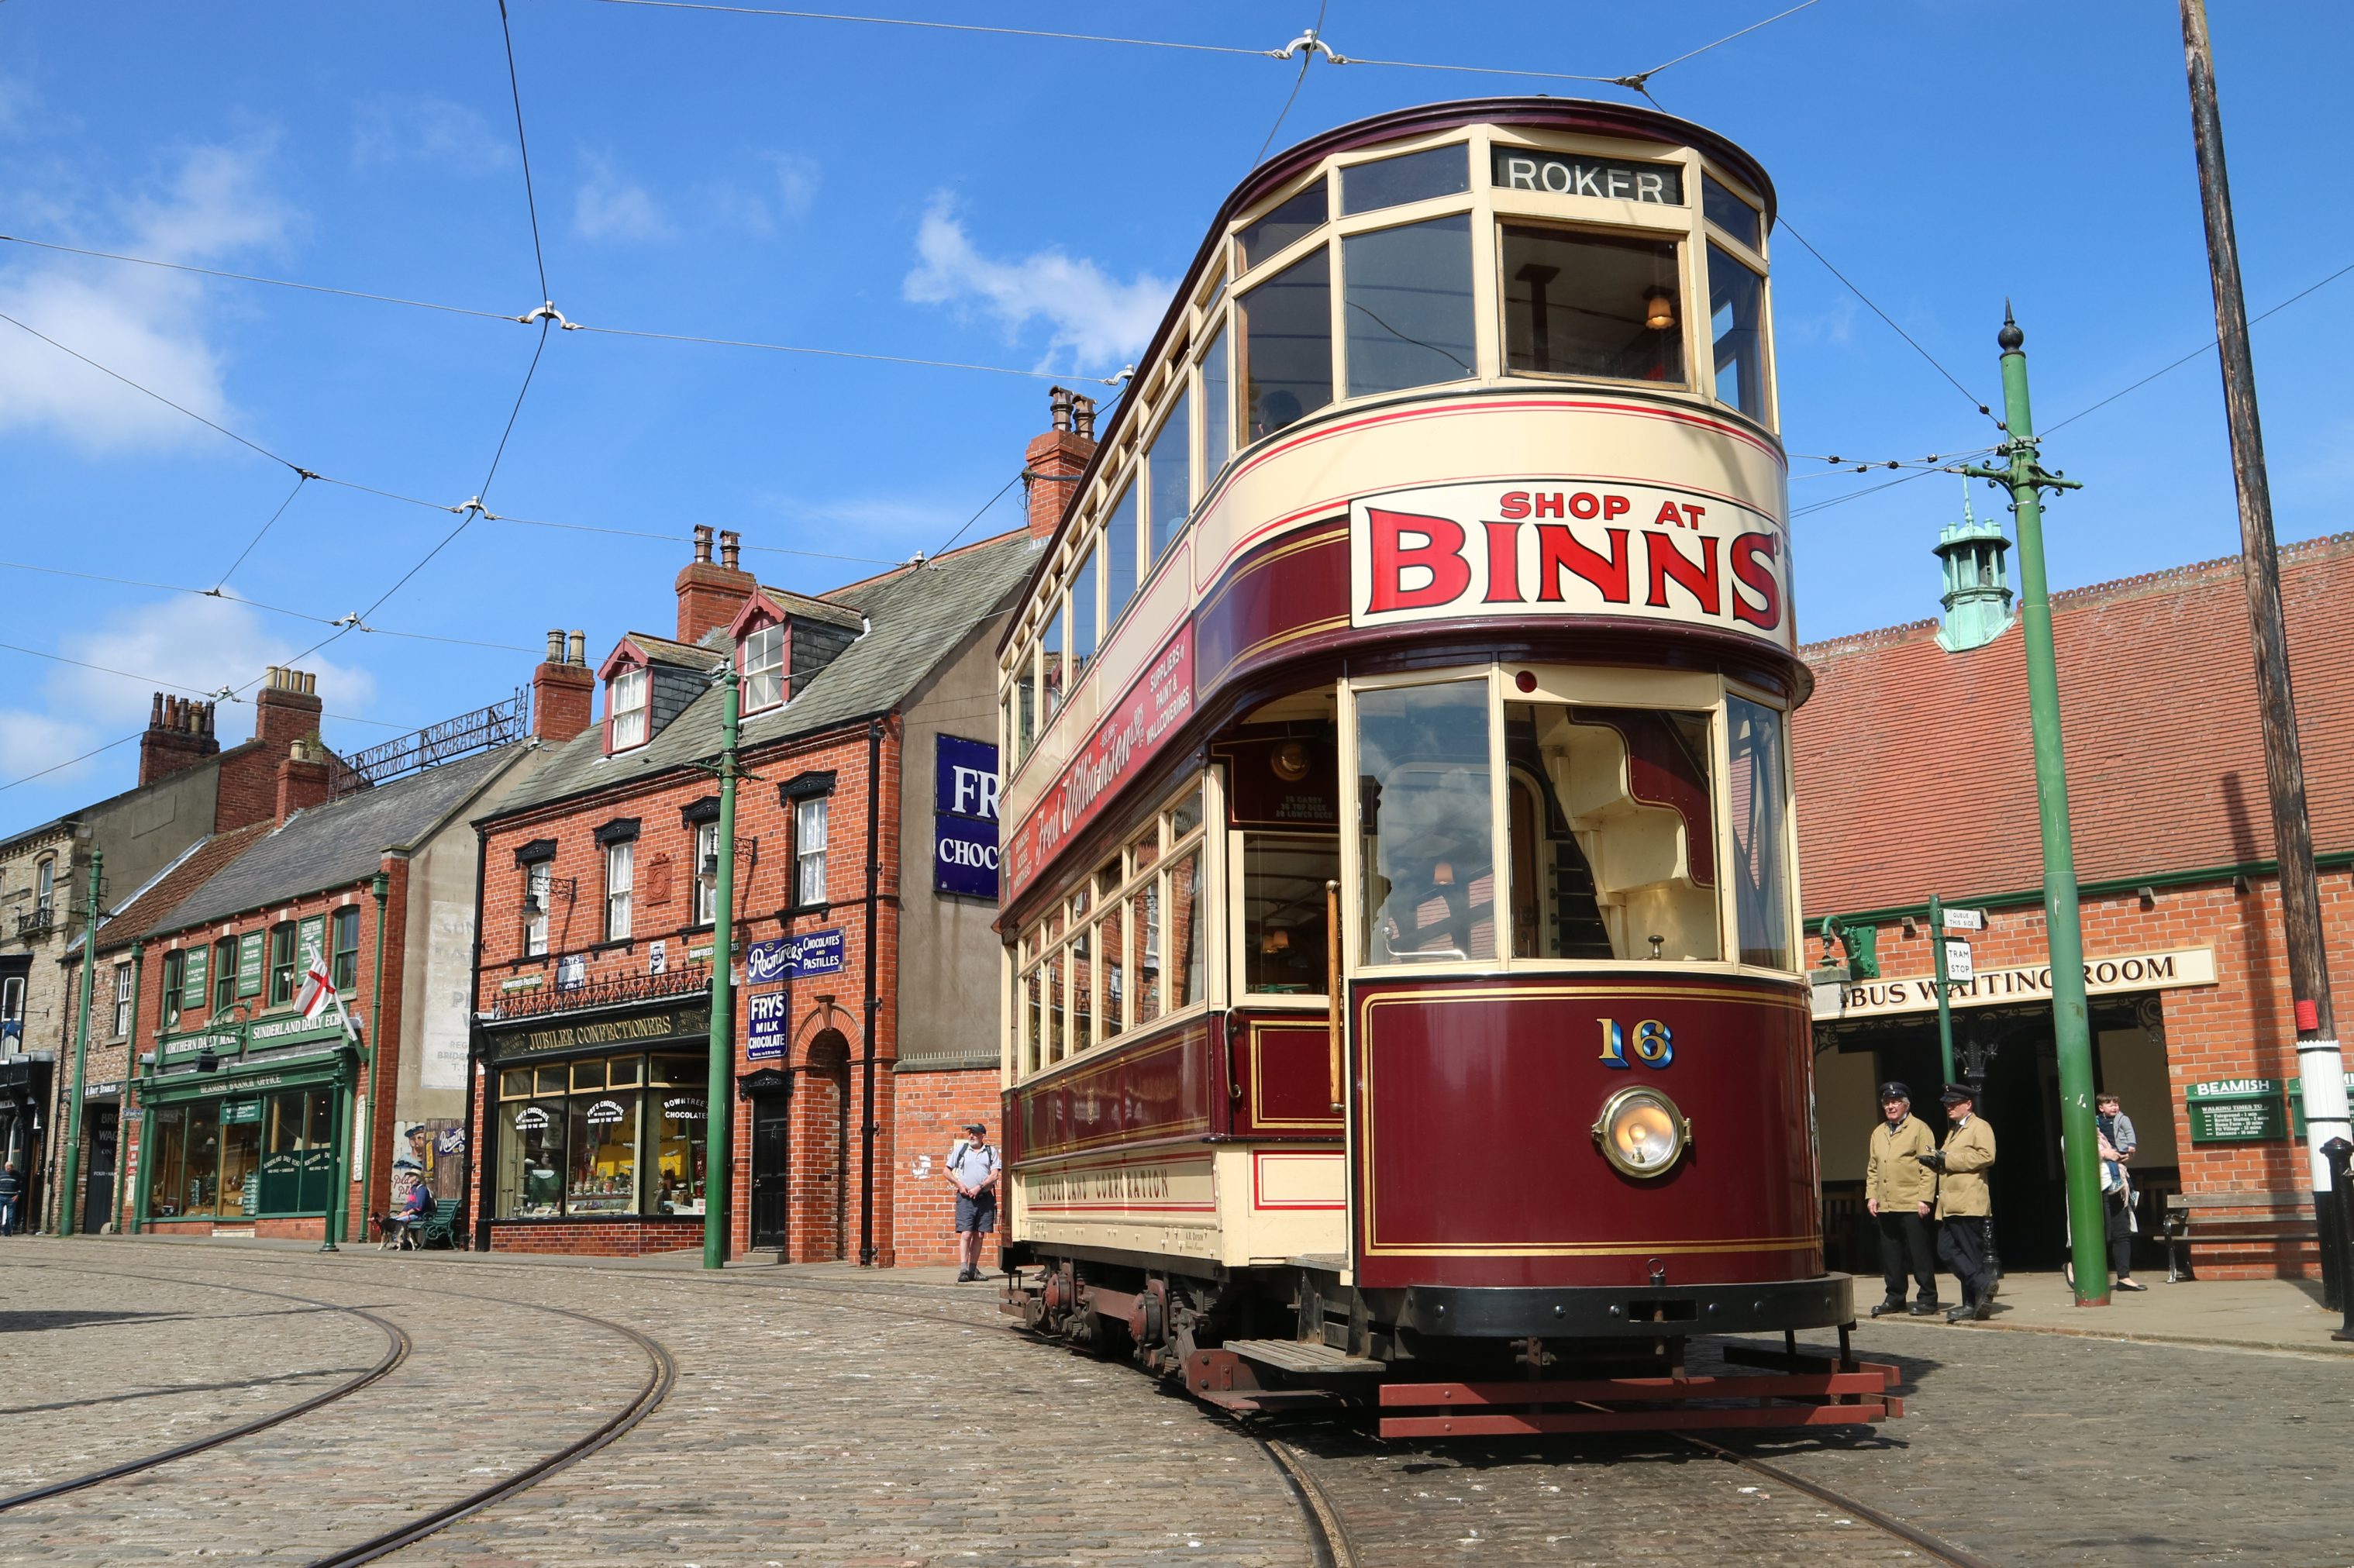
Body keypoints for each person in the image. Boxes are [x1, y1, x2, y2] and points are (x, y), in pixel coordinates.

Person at [1917, 1082, 1997, 1322]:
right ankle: (1979, 1291)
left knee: (1968, 1253)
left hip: (1968, 1200)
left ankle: (1974, 1301)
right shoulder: (1954, 1131)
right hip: (1951, 1203)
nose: (1949, 1108)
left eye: (1954, 1104)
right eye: (1947, 1104)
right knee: (1948, 1249)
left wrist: (1946, 1160)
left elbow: (1987, 1156)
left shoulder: (1979, 1126)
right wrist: (1936, 1161)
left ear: (1968, 1104)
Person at [1863, 1082, 1939, 1316]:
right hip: (1886, 1203)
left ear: (1906, 1104)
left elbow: (1928, 1167)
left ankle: (1927, 1298)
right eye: (1887, 1102)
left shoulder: (1919, 1128)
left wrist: (1925, 1199)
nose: (1890, 1106)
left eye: (1895, 1102)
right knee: (1891, 1255)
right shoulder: (1879, 1132)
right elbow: (1873, 1168)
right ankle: (1895, 1297)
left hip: (1910, 1200)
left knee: (1919, 1253)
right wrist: (1871, 1196)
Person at [2097, 1092, 2147, 1292]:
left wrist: (2129, 1150)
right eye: (2109, 1103)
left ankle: (2124, 1277)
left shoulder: (2120, 1121)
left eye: (2116, 1103)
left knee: (2122, 1232)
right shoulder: (2090, 1126)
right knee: (2102, 1232)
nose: (2114, 1107)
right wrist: (2103, 1153)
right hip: (2099, 1184)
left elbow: (2129, 1137)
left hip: (2119, 1182)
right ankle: (2078, 1267)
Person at [947, 1122, 1000, 1283]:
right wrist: (959, 1184)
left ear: (982, 1135)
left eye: (975, 1133)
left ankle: (973, 1268)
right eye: (969, 1133)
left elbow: (994, 1175)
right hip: (965, 1198)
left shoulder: (991, 1152)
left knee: (980, 1234)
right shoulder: (962, 1150)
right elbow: (946, 1171)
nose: (971, 1136)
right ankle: (963, 1269)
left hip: (984, 1197)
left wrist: (980, 1187)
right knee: (966, 1232)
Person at [0, 1162, 19, 1237]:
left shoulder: (17, 1175)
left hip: (11, 1197)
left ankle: (7, 1231)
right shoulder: (1, 1174)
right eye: (6, 1168)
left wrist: (18, 1195)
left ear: (12, 1168)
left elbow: (20, 1186)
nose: (7, 1170)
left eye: (9, 1168)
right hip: (1, 1195)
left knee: (10, 1216)